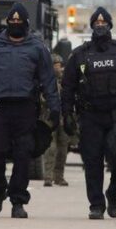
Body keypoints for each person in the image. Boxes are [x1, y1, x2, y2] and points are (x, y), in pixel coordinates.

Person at [0, 2, 60, 219]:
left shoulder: (37, 48)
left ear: (26, 24)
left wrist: (55, 108)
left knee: (23, 154)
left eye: (19, 21)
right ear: (7, 23)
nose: (15, 24)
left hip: (26, 108)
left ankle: (18, 201)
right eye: (12, 21)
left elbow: (48, 80)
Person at [61, 7, 116, 220]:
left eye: (104, 22)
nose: (100, 25)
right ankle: (96, 204)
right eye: (96, 23)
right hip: (91, 117)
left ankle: (113, 194)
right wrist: (67, 114)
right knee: (92, 161)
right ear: (92, 26)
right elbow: (68, 86)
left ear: (110, 26)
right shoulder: (79, 55)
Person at [43, 53, 70, 187]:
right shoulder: (45, 81)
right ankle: (48, 177)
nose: (58, 69)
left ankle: (59, 176)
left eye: (59, 66)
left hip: (63, 118)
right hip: (48, 117)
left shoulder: (66, 81)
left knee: (63, 148)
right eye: (55, 66)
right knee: (51, 148)